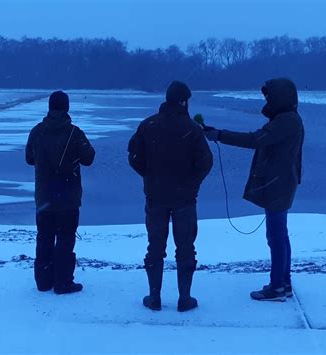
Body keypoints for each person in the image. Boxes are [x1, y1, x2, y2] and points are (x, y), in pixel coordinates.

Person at [204, 78, 304, 301]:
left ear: (280, 97)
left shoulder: (286, 121)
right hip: (281, 183)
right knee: (280, 235)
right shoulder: (287, 119)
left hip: (279, 185)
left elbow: (254, 140)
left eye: (270, 97)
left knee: (276, 236)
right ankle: (283, 283)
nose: (267, 100)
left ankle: (278, 287)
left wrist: (220, 135)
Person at [128, 81, 213, 312]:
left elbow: (134, 156)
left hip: (156, 196)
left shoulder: (148, 125)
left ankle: (154, 297)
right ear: (184, 101)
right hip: (185, 198)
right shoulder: (192, 129)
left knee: (155, 246)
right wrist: (192, 184)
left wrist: (149, 175)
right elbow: (206, 163)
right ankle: (184, 298)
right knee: (185, 247)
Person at [26, 90, 95, 294]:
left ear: (49, 107)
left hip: (44, 197)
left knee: (44, 237)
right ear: (66, 108)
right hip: (68, 198)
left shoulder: (37, 132)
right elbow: (89, 158)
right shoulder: (74, 133)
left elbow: (29, 159)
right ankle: (63, 282)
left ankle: (43, 280)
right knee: (65, 238)